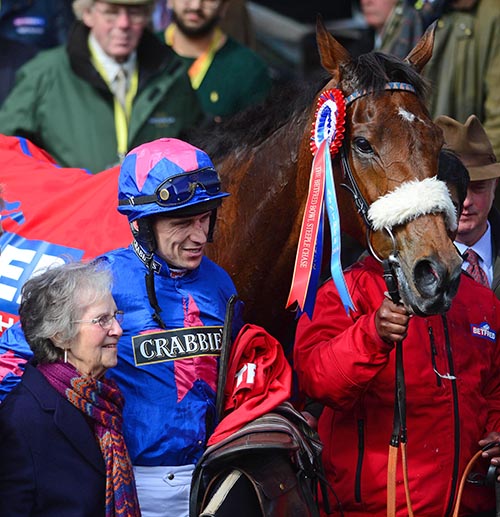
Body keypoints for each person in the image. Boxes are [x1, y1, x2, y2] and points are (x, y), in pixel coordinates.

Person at [0, 137, 243, 516]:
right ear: (142, 225)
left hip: (209, 481)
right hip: (122, 482)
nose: (199, 236)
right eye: (182, 223)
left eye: (204, 218)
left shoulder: (221, 285)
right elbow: (13, 356)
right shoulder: (97, 281)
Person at [293, 150, 500, 516]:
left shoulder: (483, 302)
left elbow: (494, 392)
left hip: (466, 506)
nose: (430, 224)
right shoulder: (347, 289)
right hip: (370, 507)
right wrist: (372, 334)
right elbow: (314, 380)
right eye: (422, 211)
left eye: (443, 209)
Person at [0, 260, 140, 516]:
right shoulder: (22, 418)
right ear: (60, 335)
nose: (118, 330)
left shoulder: (104, 403)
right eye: (102, 320)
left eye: (116, 316)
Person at [0, 0, 201, 173]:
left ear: (147, 16)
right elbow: (6, 151)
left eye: (134, 13)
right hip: (74, 212)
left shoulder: (172, 74)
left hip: (151, 214)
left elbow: (196, 146)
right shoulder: (44, 73)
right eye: (111, 13)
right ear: (87, 13)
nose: (124, 23)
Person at [163, 0, 272, 123]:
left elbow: (258, 135)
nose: (196, 6)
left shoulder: (249, 68)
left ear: (223, 8)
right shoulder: (144, 48)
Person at [436, 114, 500, 297]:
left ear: (494, 185)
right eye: (451, 190)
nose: (465, 201)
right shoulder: (396, 262)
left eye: (477, 188)